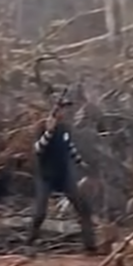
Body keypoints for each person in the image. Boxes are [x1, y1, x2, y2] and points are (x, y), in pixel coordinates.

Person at [28, 92, 99, 253]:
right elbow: (38, 150)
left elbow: (69, 147)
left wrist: (81, 163)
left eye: (67, 109)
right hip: (45, 177)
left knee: (83, 208)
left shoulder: (65, 128)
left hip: (64, 176)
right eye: (62, 109)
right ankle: (29, 243)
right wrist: (49, 132)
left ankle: (90, 246)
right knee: (40, 213)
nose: (65, 113)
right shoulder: (41, 127)